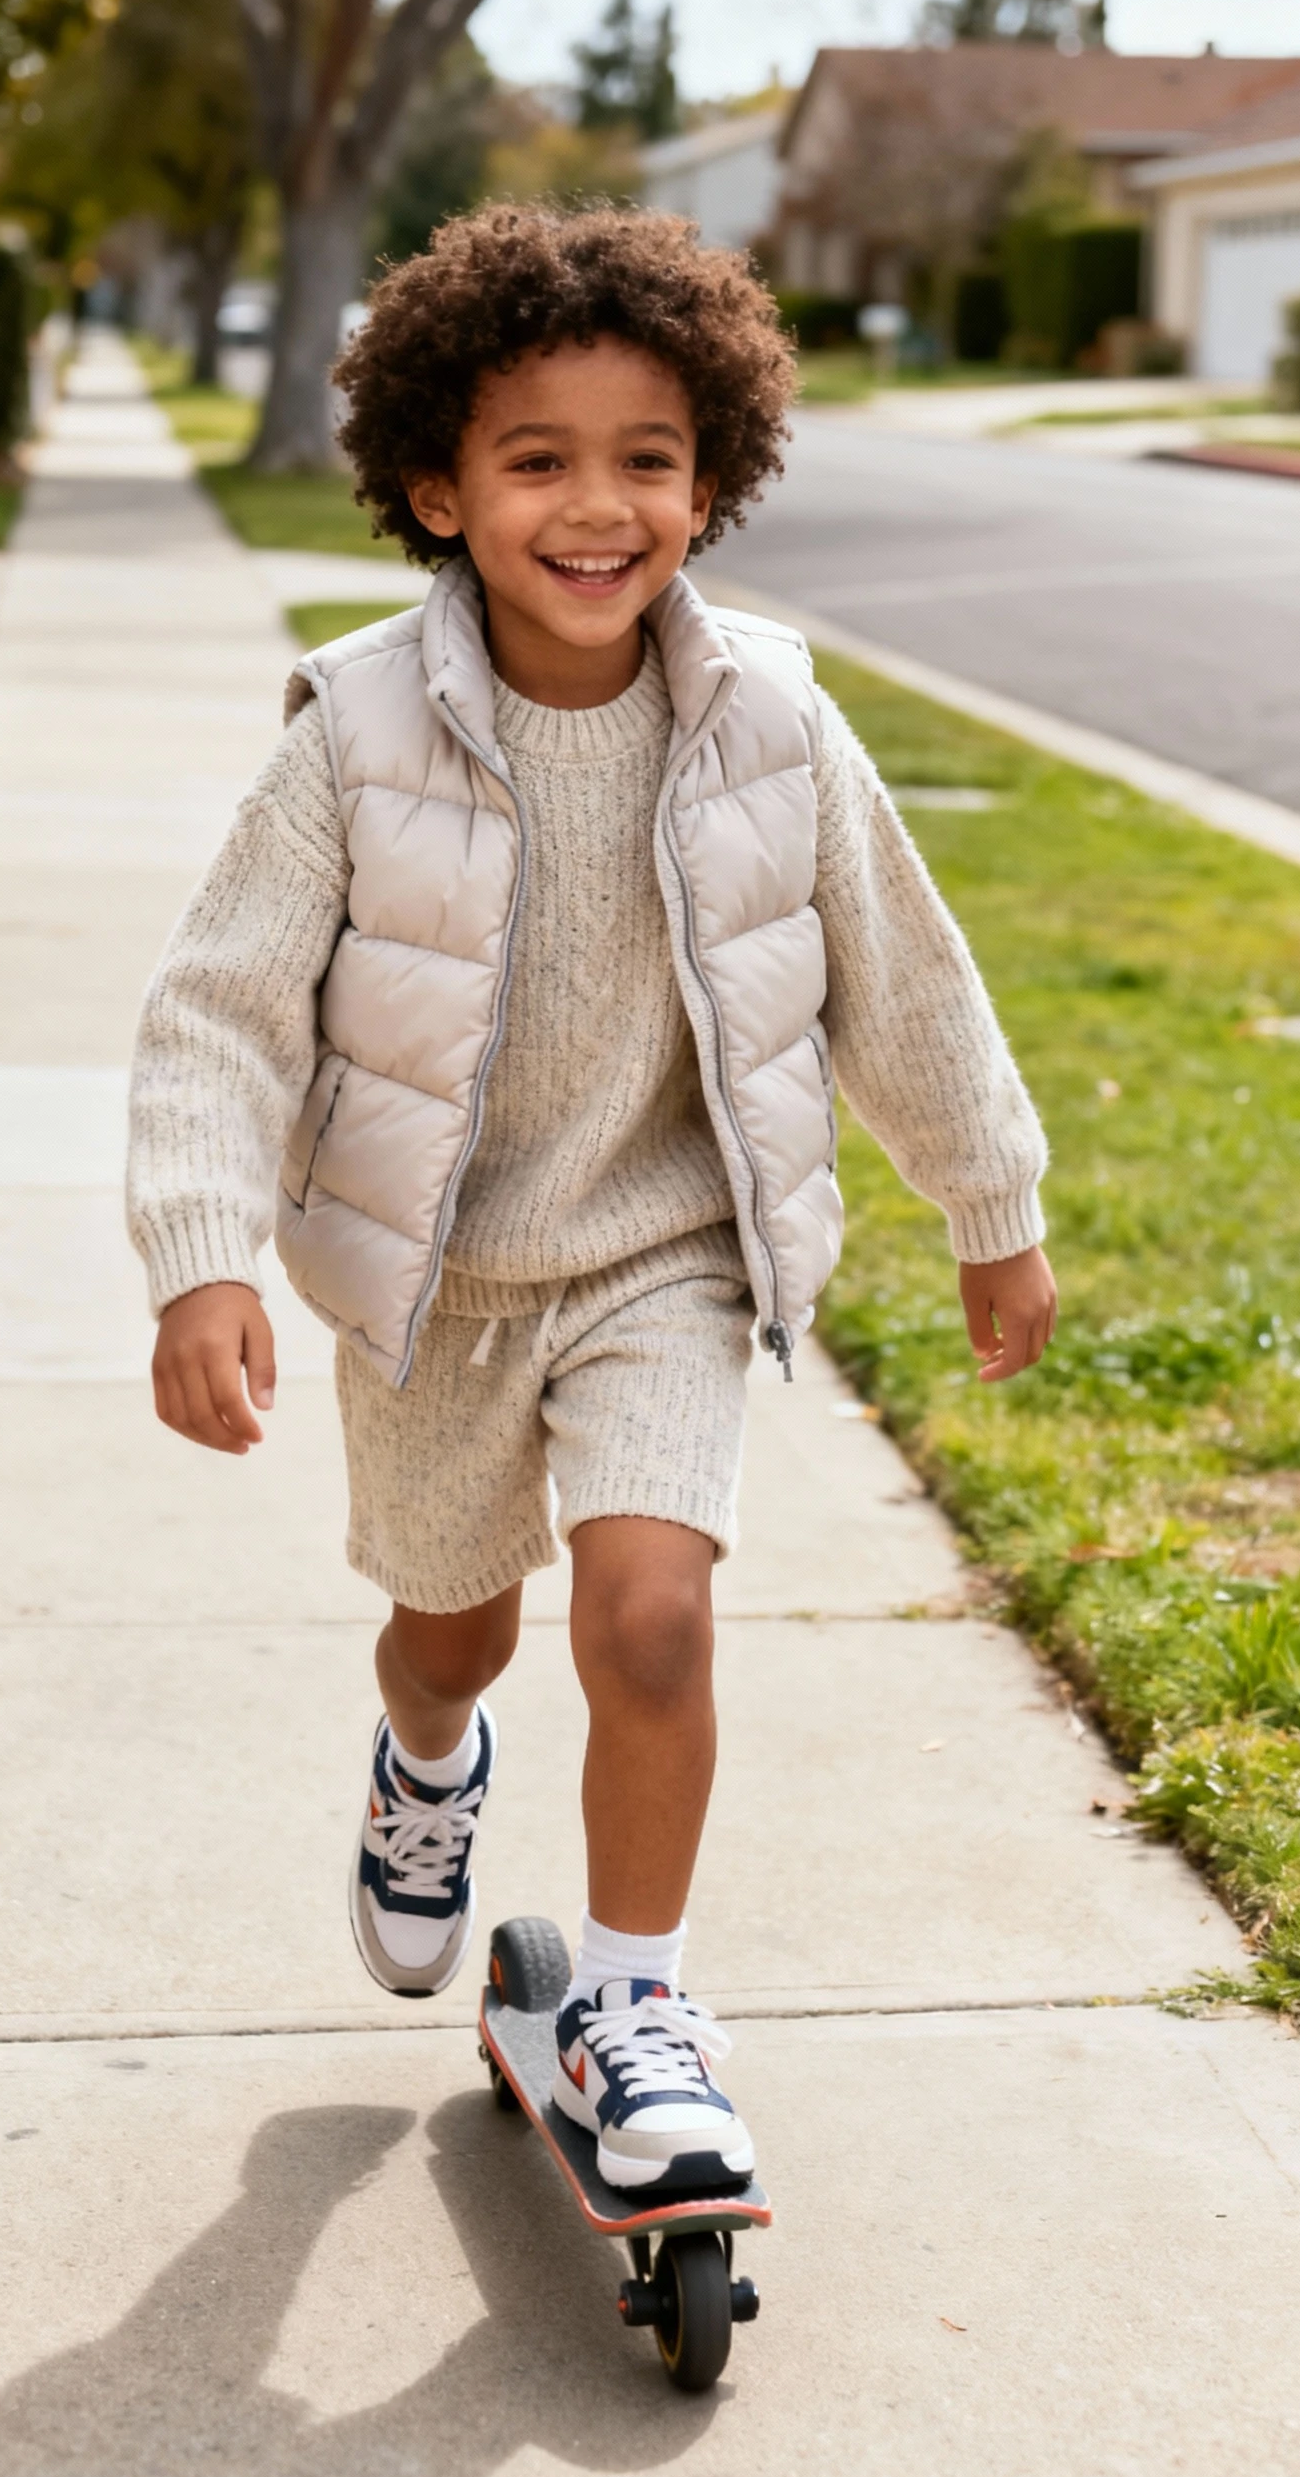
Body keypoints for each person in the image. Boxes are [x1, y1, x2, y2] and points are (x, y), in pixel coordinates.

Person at [127, 205, 1055, 2196]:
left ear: (710, 479)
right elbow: (219, 1014)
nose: (596, 504)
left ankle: (634, 1999)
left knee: (648, 1622)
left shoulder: (773, 724)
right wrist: (203, 1256)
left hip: (666, 1258)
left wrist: (992, 1191)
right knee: (451, 1633)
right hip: (440, 1285)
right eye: (536, 458)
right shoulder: (356, 734)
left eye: (647, 456)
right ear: (435, 486)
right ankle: (424, 1770)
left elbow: (903, 969)